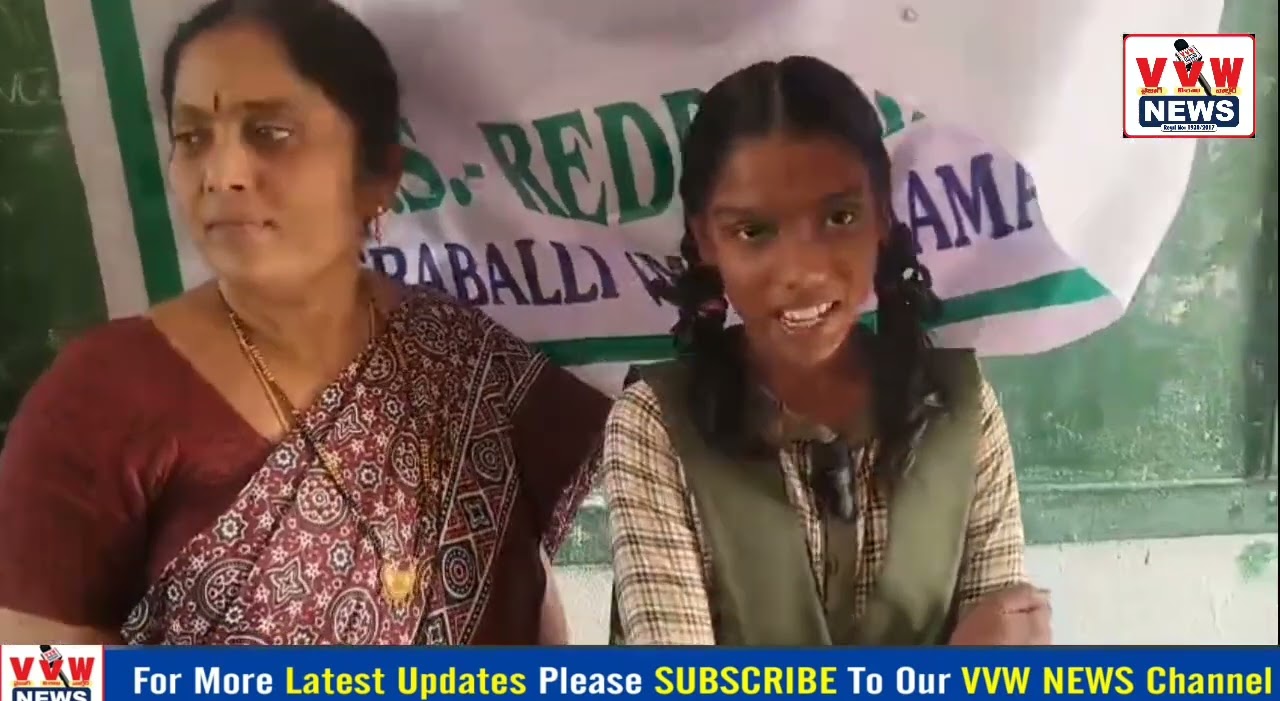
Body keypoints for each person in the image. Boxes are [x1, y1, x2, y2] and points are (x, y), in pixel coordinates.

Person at [0, 0, 606, 645]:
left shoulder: (467, 366)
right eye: (193, 138)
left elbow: (533, 599)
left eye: (270, 133)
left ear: (379, 178)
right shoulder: (101, 393)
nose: (222, 174)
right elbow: (34, 681)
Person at [603, 56, 1051, 646]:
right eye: (753, 232)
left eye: (840, 217)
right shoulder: (654, 427)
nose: (802, 272)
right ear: (705, 238)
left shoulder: (962, 409)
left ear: (882, 216)